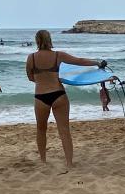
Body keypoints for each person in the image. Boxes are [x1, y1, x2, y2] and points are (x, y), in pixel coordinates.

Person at [25, 29, 105, 170]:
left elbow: (31, 78)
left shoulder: (31, 58)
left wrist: (42, 80)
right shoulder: (58, 55)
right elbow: (79, 61)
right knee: (64, 130)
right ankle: (69, 163)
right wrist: (97, 63)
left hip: (40, 97)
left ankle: (43, 161)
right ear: (49, 40)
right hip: (58, 95)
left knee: (41, 129)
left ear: (37, 41)